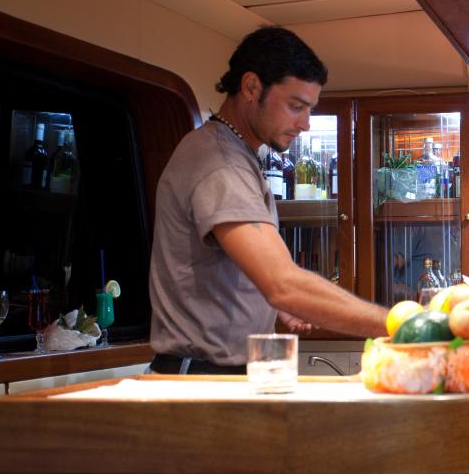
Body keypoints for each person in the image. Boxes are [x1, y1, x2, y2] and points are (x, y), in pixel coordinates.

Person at [148, 26, 387, 374]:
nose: (305, 123)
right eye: (296, 106)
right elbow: (283, 284)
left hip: (222, 373)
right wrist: (401, 324)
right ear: (251, 87)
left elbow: (234, 272)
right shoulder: (219, 163)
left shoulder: (239, 154)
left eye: (309, 109)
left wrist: (267, 305)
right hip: (201, 379)